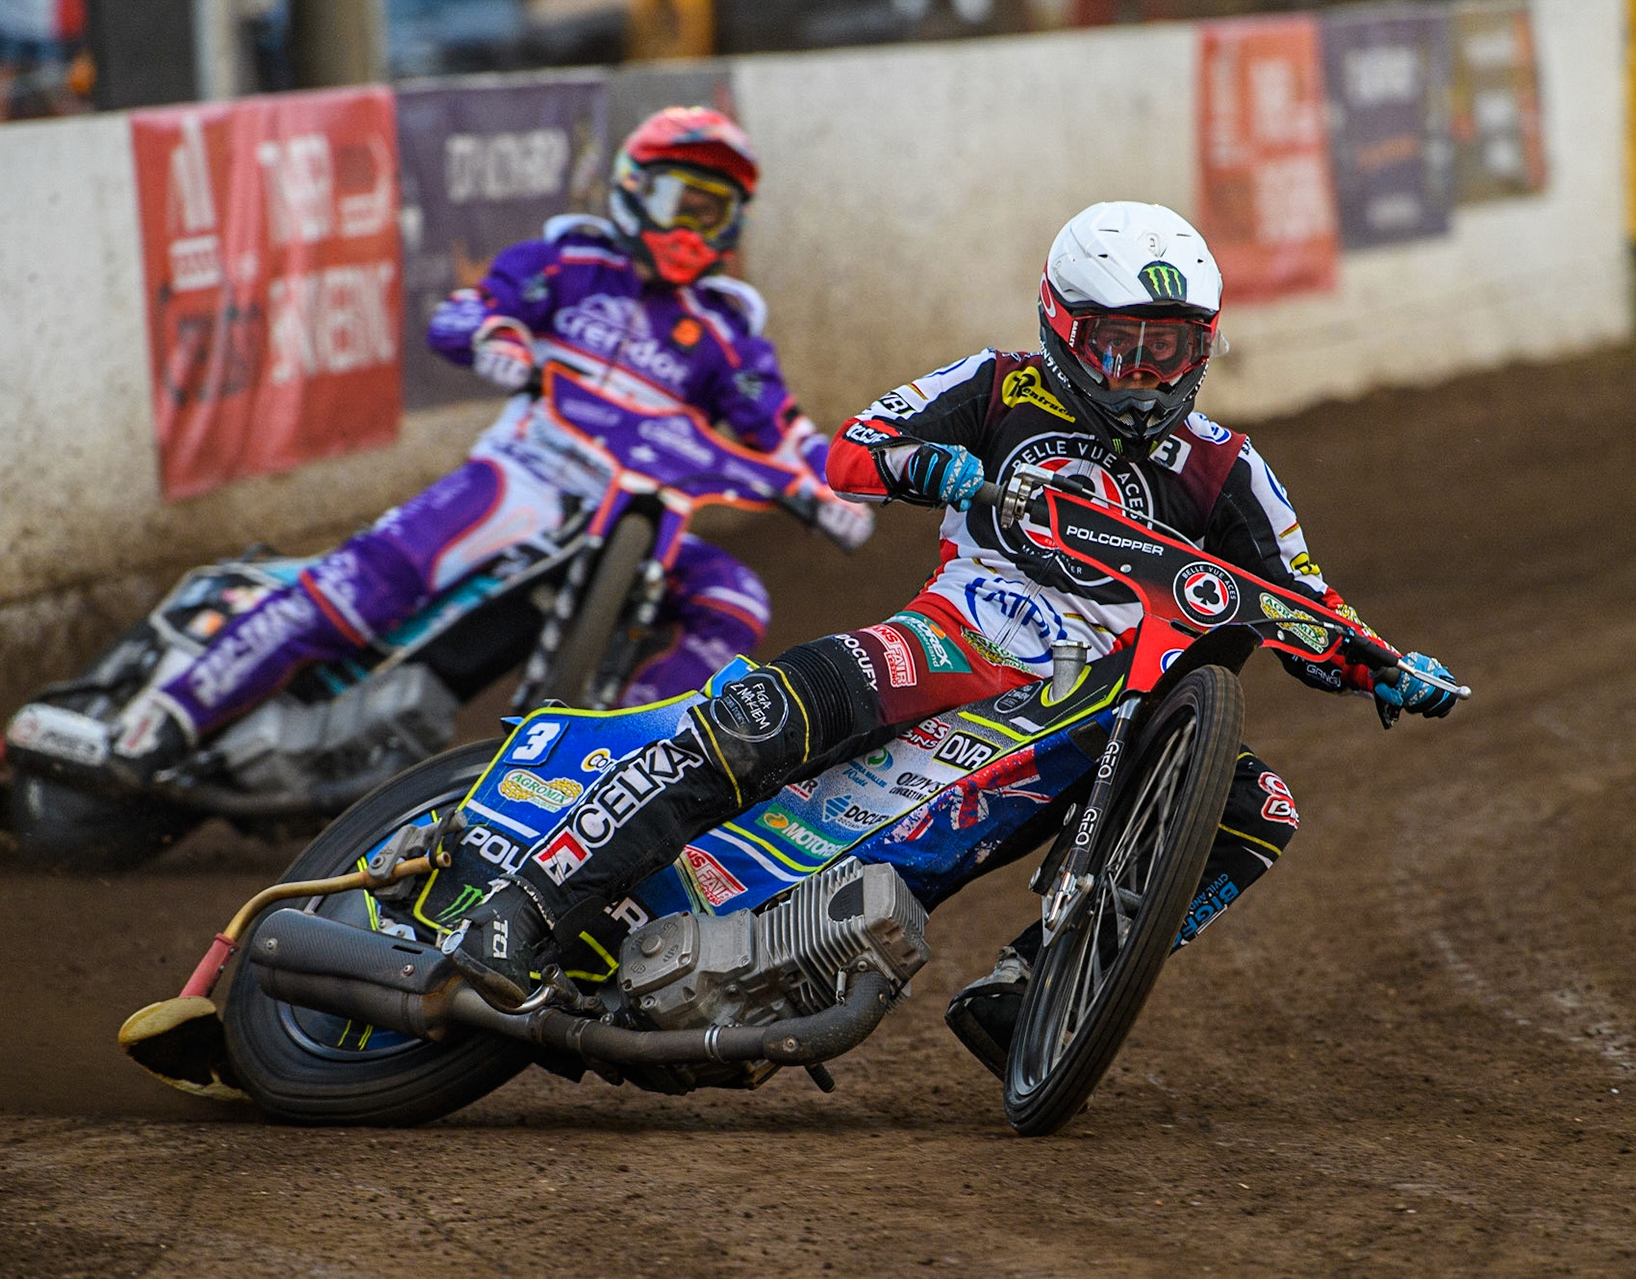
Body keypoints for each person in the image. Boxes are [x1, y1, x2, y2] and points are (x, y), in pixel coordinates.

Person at [444, 200, 1459, 1080]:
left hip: (1098, 705)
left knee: (1259, 808)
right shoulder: (999, 384)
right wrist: (935, 471)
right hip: (953, 638)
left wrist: (1387, 666)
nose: (1148, 375)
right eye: (1122, 345)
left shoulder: (1229, 468)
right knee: (762, 714)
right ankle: (528, 909)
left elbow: (1307, 607)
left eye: (1174, 348)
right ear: (1064, 326)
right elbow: (847, 454)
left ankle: (1031, 986)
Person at [106, 107, 874, 781]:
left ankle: (639, 756)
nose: (690, 226)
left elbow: (784, 433)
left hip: (637, 515)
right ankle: (165, 716)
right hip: (529, 474)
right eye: (680, 200)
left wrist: (842, 481)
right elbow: (468, 312)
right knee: (364, 580)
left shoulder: (724, 331)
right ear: (634, 187)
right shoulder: (565, 264)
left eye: (712, 212)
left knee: (734, 597)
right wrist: (494, 335)